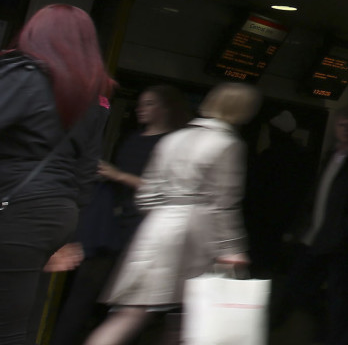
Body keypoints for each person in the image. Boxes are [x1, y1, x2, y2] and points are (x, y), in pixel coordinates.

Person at [86, 82, 261, 345]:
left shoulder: (173, 138)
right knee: (188, 319)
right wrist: (232, 247)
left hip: (155, 230)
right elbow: (223, 203)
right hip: (198, 235)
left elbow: (146, 196)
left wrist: (163, 216)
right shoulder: (228, 143)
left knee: (131, 313)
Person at [0, 4, 109, 345]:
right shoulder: (95, 96)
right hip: (54, 212)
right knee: (15, 318)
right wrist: (64, 235)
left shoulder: (24, 75)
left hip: (16, 204)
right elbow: (85, 167)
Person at [50, 85, 189, 345]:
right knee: (84, 295)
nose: (140, 108)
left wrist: (118, 175)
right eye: (140, 103)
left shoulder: (173, 145)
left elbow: (170, 191)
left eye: (148, 103)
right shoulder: (133, 138)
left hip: (143, 231)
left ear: (166, 108)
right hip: (110, 225)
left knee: (125, 305)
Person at [275, 106, 348, 345]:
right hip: (317, 234)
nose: (345, 130)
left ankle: (335, 338)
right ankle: (320, 331)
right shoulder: (332, 155)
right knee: (298, 288)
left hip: (345, 239)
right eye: (341, 125)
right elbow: (317, 194)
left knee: (342, 296)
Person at [243, 110, 311, 279]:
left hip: (261, 220)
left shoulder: (269, 156)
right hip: (285, 222)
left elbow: (255, 189)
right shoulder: (301, 158)